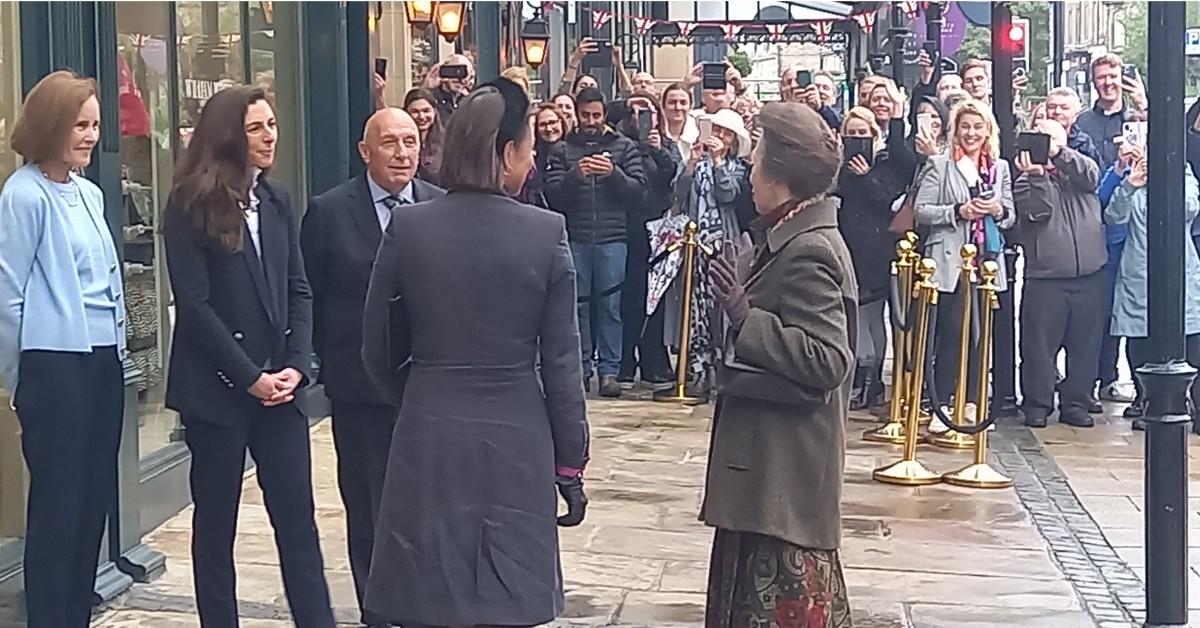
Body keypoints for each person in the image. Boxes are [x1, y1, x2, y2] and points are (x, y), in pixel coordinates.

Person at [360, 76, 590, 628]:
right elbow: (563, 365)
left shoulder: (409, 226)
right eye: (529, 148)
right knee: (505, 593)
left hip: (429, 427)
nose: (532, 161)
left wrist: (416, 390)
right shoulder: (545, 232)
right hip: (516, 431)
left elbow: (375, 345)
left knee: (429, 592)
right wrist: (570, 463)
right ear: (508, 152)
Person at [162, 86, 335, 627]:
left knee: (298, 523)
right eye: (257, 127)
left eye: (273, 125)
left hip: (281, 389)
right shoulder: (189, 204)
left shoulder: (279, 201)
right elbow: (194, 306)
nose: (270, 136)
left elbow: (299, 289)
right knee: (216, 528)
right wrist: (248, 378)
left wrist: (297, 365)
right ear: (230, 135)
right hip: (217, 392)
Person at [702, 101, 854, 628]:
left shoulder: (809, 249)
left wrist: (747, 319)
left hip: (784, 483)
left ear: (782, 173)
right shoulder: (783, 238)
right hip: (765, 478)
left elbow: (828, 358)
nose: (749, 168)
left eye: (757, 155)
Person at [300, 107, 444, 626]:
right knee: (368, 506)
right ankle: (377, 608)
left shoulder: (439, 206)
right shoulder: (330, 211)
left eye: (410, 141)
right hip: (358, 389)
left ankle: (422, 601)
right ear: (366, 151)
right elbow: (309, 293)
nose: (403, 153)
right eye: (390, 143)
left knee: (424, 505)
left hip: (425, 387)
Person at [0, 71, 124, 628]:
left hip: (103, 359)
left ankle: (78, 607)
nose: (91, 135)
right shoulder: (22, 194)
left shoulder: (90, 193)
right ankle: (49, 615)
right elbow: (7, 294)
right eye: (80, 124)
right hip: (53, 363)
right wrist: (20, 377)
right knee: (57, 500)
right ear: (51, 126)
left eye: (96, 124)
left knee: (95, 491)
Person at [914, 99, 1016, 430]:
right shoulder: (941, 164)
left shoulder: (999, 168)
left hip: (986, 259)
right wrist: (958, 211)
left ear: (988, 131)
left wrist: (997, 210)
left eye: (978, 127)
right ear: (955, 130)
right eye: (965, 126)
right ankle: (942, 403)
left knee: (981, 335)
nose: (971, 133)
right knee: (954, 331)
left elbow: (1010, 215)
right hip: (950, 258)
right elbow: (922, 209)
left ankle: (973, 400)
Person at [542, 87, 647, 397]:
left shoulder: (623, 147)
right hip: (576, 237)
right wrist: (576, 175)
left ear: (604, 116)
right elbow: (554, 195)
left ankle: (609, 372)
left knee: (611, 307)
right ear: (576, 114)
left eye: (596, 115)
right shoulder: (562, 150)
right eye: (585, 115)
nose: (591, 121)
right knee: (578, 307)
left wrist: (613, 173)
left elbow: (639, 191)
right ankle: (582, 368)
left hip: (614, 238)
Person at [1012, 118, 1107, 429]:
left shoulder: (1077, 171)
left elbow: (1093, 176)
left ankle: (1076, 403)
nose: (1047, 145)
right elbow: (1037, 213)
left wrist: (1060, 154)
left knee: (1085, 347)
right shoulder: (1025, 180)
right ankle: (1037, 404)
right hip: (1046, 277)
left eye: (1052, 138)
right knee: (1039, 347)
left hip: (1090, 275)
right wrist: (1038, 175)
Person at [660, 108, 753, 401]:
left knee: (722, 308)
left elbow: (729, 194)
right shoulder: (695, 161)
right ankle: (698, 369)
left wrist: (717, 162)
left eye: (726, 133)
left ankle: (723, 367)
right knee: (695, 309)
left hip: (724, 244)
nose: (719, 137)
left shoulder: (738, 167)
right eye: (717, 130)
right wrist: (692, 163)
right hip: (693, 243)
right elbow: (678, 193)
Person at [1106, 153, 1200, 432]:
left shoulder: (1184, 174)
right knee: (1140, 339)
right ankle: (1147, 400)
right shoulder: (1131, 180)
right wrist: (1131, 184)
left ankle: (1190, 402)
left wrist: (1165, 179)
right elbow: (1113, 217)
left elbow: (1189, 208)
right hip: (1139, 269)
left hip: (1180, 269)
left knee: (1191, 337)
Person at [1075, 53, 1148, 407]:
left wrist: (1145, 108)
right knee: (1100, 307)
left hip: (1133, 224)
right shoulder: (1083, 122)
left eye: (1113, 75)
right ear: (1093, 81)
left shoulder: (1135, 117)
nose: (1108, 82)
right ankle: (1102, 376)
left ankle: (1132, 380)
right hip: (1096, 220)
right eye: (1101, 77)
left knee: (1132, 303)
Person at [835, 107, 906, 411]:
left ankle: (871, 376)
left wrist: (866, 176)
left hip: (876, 248)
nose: (857, 139)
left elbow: (889, 201)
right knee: (855, 316)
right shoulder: (839, 166)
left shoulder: (885, 163)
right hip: (847, 243)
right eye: (851, 134)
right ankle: (859, 373)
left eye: (862, 133)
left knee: (872, 316)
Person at [617, 93, 679, 389]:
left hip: (658, 229)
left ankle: (655, 361)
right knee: (628, 297)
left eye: (647, 110)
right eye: (635, 111)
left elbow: (674, 178)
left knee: (656, 299)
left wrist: (657, 150)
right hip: (628, 227)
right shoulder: (620, 143)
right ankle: (625, 360)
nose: (641, 116)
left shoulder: (665, 145)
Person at [404, 88, 444, 186]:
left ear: (434, 112)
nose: (421, 116)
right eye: (415, 111)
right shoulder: (400, 142)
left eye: (426, 111)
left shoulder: (447, 141)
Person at [661, 82, 698, 158]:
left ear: (690, 106)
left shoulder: (699, 135)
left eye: (683, 103)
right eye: (672, 102)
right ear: (663, 105)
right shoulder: (656, 134)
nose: (678, 107)